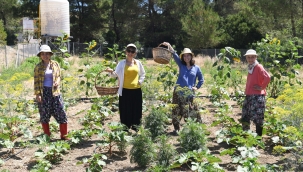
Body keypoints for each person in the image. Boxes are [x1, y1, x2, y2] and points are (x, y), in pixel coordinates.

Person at [162, 42, 204, 135]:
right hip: (178, 92)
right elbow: (174, 54)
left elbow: (201, 79)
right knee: (176, 110)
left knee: (190, 110)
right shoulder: (181, 65)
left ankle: (193, 128)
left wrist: (196, 87)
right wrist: (169, 46)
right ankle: (176, 129)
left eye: (188, 56)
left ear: (191, 56)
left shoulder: (196, 68)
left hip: (189, 93)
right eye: (184, 56)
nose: (186, 58)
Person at [105, 43, 146, 131]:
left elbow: (143, 74)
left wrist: (140, 81)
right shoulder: (121, 63)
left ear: (135, 53)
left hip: (136, 90)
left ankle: (136, 127)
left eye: (132, 51)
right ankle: (125, 128)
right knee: (125, 110)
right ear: (126, 52)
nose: (130, 53)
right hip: (125, 90)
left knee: (136, 109)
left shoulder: (138, 63)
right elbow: (115, 75)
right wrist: (110, 71)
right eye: (129, 51)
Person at [34, 45, 69, 140]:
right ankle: (47, 136)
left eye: (47, 54)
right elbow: (36, 81)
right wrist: (38, 94)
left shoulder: (55, 64)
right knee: (44, 114)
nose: (45, 56)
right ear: (40, 55)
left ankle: (64, 135)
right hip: (44, 92)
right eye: (43, 54)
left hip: (55, 92)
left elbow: (58, 76)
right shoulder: (38, 67)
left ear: (50, 54)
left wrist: (57, 82)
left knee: (61, 112)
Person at [241, 49, 271, 136]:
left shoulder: (258, 66)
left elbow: (267, 77)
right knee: (245, 116)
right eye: (248, 57)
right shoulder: (251, 67)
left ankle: (258, 138)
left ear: (256, 57)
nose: (250, 59)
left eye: (252, 57)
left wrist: (262, 87)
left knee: (258, 118)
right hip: (249, 95)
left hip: (257, 96)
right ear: (246, 58)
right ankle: (246, 136)